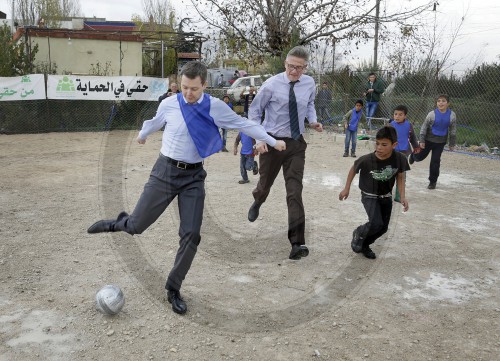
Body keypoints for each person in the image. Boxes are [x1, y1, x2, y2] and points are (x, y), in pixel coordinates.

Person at [87, 61, 286, 315]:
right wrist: (143, 134)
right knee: (137, 226)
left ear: (204, 85)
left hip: (193, 177)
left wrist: (271, 139)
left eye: (194, 88)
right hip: (165, 173)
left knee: (191, 234)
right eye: (184, 88)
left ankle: (173, 287)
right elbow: (155, 121)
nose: (188, 93)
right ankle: (118, 223)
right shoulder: (170, 103)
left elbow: (244, 124)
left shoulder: (215, 107)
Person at [246, 46, 323, 260]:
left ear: (305, 68)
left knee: (294, 192)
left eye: (299, 68)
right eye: (291, 66)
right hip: (271, 142)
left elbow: (309, 105)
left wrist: (313, 120)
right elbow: (254, 111)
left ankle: (297, 243)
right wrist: (260, 139)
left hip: (296, 144)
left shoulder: (309, 84)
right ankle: (258, 200)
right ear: (285, 64)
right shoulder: (271, 85)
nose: (294, 72)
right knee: (265, 185)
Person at [339, 126, 410, 259]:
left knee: (382, 228)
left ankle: (365, 244)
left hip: (386, 196)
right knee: (376, 223)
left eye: (384, 144)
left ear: (394, 145)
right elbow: (353, 169)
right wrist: (346, 188)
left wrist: (402, 196)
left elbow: (400, 176)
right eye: (377, 143)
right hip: (369, 196)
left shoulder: (400, 159)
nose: (379, 147)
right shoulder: (367, 159)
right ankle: (359, 232)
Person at [408, 94, 456, 190]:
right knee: (419, 157)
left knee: (435, 161)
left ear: (448, 103)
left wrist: (452, 144)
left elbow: (453, 130)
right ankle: (413, 156)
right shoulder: (432, 114)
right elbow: (424, 127)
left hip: (440, 142)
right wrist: (422, 140)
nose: (441, 103)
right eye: (439, 101)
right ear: (436, 103)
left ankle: (432, 182)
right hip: (428, 140)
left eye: (443, 101)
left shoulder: (452, 115)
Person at [389, 105, 419, 202]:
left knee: (401, 174)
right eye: (395, 114)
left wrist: (416, 147)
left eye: (400, 114)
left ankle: (399, 195)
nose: (397, 116)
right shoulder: (390, 125)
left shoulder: (409, 125)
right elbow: (383, 137)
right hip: (392, 153)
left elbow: (413, 137)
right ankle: (387, 193)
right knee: (389, 173)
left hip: (404, 153)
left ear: (405, 116)